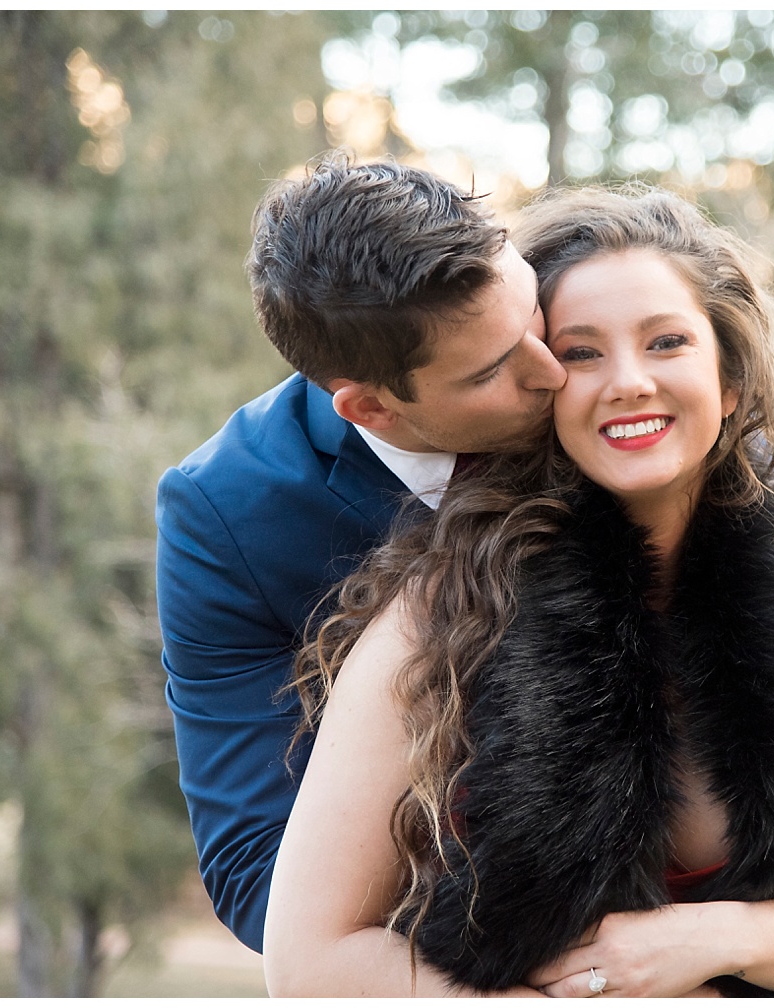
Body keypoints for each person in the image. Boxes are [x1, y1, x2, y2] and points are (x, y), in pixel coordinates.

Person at [263, 185, 774, 997]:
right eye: (584, 352)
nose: (628, 381)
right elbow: (311, 962)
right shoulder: (443, 607)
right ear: (540, 386)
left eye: (666, 342)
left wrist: (711, 939)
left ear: (728, 378)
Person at [154, 152, 566, 954]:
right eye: (490, 370)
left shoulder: (596, 332)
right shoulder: (226, 516)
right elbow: (256, 872)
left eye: (533, 314)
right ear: (370, 408)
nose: (554, 373)